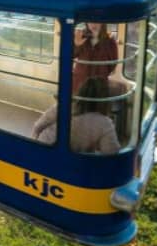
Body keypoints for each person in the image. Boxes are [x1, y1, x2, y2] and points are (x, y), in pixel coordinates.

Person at [31, 22, 121, 153]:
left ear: (103, 23)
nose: (93, 24)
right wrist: (77, 44)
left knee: (96, 115)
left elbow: (112, 65)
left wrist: (99, 72)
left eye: (96, 21)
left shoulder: (110, 42)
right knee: (73, 110)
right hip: (79, 82)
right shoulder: (80, 36)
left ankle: (95, 140)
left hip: (98, 87)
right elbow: (70, 56)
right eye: (90, 21)